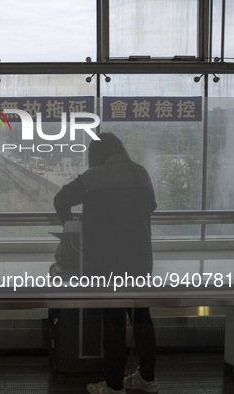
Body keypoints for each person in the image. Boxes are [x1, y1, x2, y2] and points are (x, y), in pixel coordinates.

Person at [53, 132, 158, 394]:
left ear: (97, 155)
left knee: (114, 321)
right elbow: (152, 206)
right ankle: (147, 379)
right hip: (140, 258)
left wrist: (73, 224)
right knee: (142, 318)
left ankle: (113, 385)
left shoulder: (94, 177)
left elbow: (61, 199)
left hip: (107, 260)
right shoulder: (140, 173)